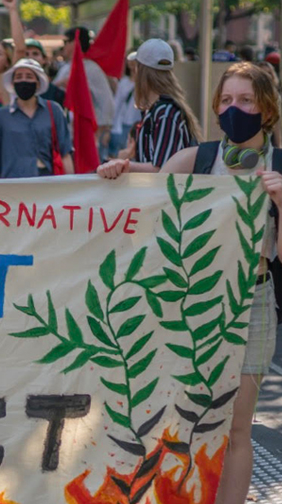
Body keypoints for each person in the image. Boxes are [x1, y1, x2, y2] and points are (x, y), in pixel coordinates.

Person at [97, 61, 280, 504]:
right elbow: (144, 210)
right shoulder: (197, 160)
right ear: (215, 108)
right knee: (177, 422)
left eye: (246, 100)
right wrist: (120, 175)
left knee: (236, 428)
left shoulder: (280, 168)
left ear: (267, 109)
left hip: (252, 304)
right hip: (189, 307)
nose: (234, 109)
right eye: (226, 100)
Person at [98, 39, 200, 173]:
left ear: (140, 70)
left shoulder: (165, 113)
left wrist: (124, 164)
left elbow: (162, 170)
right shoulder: (158, 110)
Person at [0, 58, 73, 178]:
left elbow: (65, 154)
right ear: (13, 83)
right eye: (18, 77)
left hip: (47, 184)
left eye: (29, 77)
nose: (23, 80)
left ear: (38, 83)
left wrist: (71, 184)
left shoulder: (54, 111)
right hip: (12, 186)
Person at [52, 27, 115, 137]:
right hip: (65, 130)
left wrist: (102, 131)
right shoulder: (65, 68)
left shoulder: (92, 69)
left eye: (66, 42)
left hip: (86, 132)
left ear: (75, 43)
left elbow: (106, 102)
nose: (63, 46)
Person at [108, 52, 141, 158]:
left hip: (138, 123)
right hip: (123, 124)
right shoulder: (124, 82)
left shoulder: (143, 83)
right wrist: (111, 125)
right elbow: (117, 104)